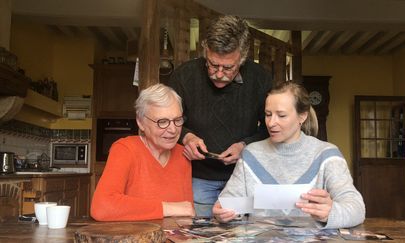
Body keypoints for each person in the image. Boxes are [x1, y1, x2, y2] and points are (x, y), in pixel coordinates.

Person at [213, 82, 365, 229]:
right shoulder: (251, 153)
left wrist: (331, 213)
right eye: (268, 114)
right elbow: (228, 202)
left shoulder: (327, 155)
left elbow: (357, 209)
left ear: (302, 116)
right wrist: (224, 211)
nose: (271, 123)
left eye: (281, 115)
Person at [166, 15, 272, 217]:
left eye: (228, 67)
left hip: (242, 176)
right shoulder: (184, 76)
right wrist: (187, 137)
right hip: (197, 176)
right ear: (206, 51)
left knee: (240, 235)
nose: (219, 73)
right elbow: (167, 122)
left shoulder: (260, 78)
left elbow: (271, 128)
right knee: (197, 234)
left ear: (242, 59)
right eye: (213, 64)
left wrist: (246, 146)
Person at [91, 84, 194, 221]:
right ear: (141, 122)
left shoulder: (183, 155)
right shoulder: (125, 149)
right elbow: (102, 207)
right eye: (162, 122)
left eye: (177, 120)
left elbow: (187, 212)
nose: (173, 130)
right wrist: (167, 208)